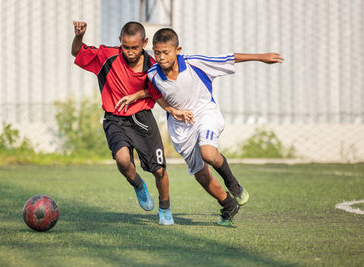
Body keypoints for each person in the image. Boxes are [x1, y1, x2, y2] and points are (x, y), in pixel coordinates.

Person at [116, 28, 283, 225]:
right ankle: (228, 204)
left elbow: (229, 58)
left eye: (166, 52)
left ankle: (233, 184)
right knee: (201, 175)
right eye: (157, 52)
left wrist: (261, 57)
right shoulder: (153, 74)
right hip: (181, 129)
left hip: (205, 114)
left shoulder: (195, 63)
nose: (161, 57)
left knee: (209, 153)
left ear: (177, 49)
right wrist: (138, 97)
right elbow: (152, 93)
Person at [71, 21, 192, 225]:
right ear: (120, 42)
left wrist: (166, 107)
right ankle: (137, 184)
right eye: (126, 47)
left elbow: (158, 92)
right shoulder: (106, 56)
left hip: (143, 119)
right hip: (115, 119)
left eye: (135, 47)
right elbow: (77, 52)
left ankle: (165, 209)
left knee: (159, 170)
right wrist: (79, 36)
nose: (130, 52)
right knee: (122, 159)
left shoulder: (154, 66)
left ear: (144, 42)